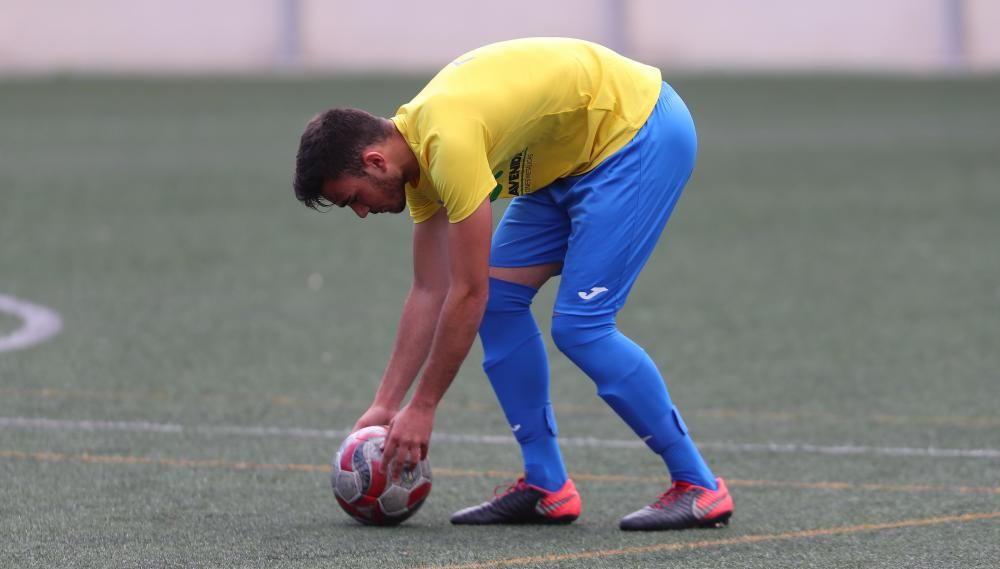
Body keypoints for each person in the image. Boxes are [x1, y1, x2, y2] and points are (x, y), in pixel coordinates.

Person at [292, 37, 733, 531]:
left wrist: (424, 407)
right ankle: (547, 486)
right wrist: (386, 404)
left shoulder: (448, 144)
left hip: (638, 132)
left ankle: (699, 485)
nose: (361, 212)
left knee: (581, 327)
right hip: (570, 158)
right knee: (502, 301)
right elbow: (429, 290)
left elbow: (467, 292)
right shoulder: (416, 161)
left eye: (354, 198)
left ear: (376, 162)